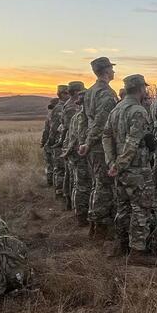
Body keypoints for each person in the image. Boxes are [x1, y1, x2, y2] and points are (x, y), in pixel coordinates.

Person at [103, 74, 155, 256]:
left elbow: (106, 136)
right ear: (141, 89)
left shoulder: (115, 110)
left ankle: (121, 245)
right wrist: (120, 164)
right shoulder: (138, 111)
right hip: (136, 169)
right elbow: (133, 142)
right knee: (141, 209)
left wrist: (111, 162)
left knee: (123, 208)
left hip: (120, 169)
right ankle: (137, 252)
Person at [79, 57, 118, 239]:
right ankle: (100, 227)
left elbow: (85, 120)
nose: (114, 72)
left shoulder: (90, 92)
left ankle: (95, 224)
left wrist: (85, 140)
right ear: (105, 71)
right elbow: (102, 122)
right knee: (104, 185)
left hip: (93, 143)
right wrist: (89, 142)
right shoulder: (105, 93)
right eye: (112, 68)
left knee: (97, 184)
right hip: (100, 145)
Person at [61, 87, 90, 226]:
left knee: (77, 184)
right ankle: (81, 216)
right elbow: (82, 139)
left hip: (74, 154)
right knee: (82, 186)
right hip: (80, 155)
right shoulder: (82, 118)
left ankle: (77, 212)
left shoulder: (76, 116)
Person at [59, 81, 85, 210]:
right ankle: (71, 204)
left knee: (71, 177)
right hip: (73, 147)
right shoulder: (71, 108)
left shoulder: (69, 105)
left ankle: (70, 202)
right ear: (76, 92)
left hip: (70, 146)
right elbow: (70, 131)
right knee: (74, 179)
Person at [46, 85, 70, 198]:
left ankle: (64, 192)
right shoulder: (58, 109)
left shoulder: (67, 106)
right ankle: (59, 193)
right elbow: (54, 128)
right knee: (60, 169)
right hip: (58, 142)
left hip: (67, 143)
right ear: (61, 94)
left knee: (66, 170)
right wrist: (51, 143)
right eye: (66, 93)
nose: (68, 95)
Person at [41, 96, 59, 187]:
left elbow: (46, 131)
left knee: (50, 165)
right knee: (56, 166)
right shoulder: (56, 115)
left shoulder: (49, 116)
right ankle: (54, 184)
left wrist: (44, 143)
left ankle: (50, 183)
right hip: (54, 144)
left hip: (50, 143)